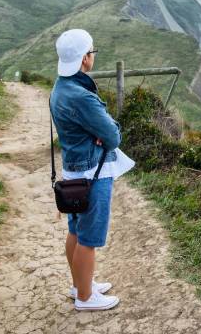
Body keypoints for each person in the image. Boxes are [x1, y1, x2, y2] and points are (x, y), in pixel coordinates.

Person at [49, 28, 135, 311]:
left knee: (75, 230)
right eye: (92, 52)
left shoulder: (59, 89)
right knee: (89, 238)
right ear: (85, 58)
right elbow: (113, 136)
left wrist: (95, 131)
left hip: (74, 172)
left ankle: (80, 285)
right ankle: (85, 298)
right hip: (92, 175)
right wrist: (104, 131)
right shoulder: (81, 96)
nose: (93, 57)